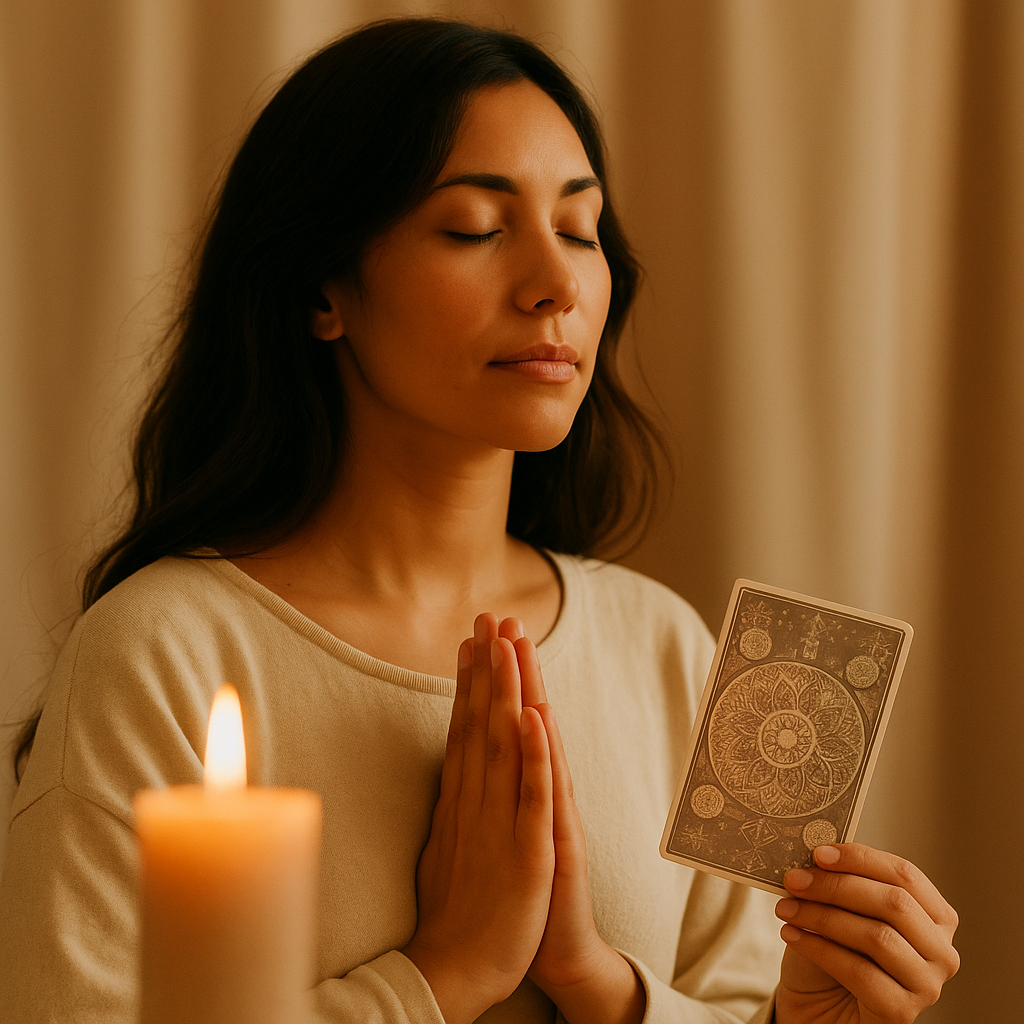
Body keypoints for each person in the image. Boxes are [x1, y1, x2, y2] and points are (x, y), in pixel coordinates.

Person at [0, 17, 958, 1024]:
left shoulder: (661, 647)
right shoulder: (167, 654)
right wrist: (438, 971)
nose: (555, 285)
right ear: (322, 288)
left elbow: (736, 1002)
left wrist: (632, 988)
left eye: (582, 233)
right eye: (473, 227)